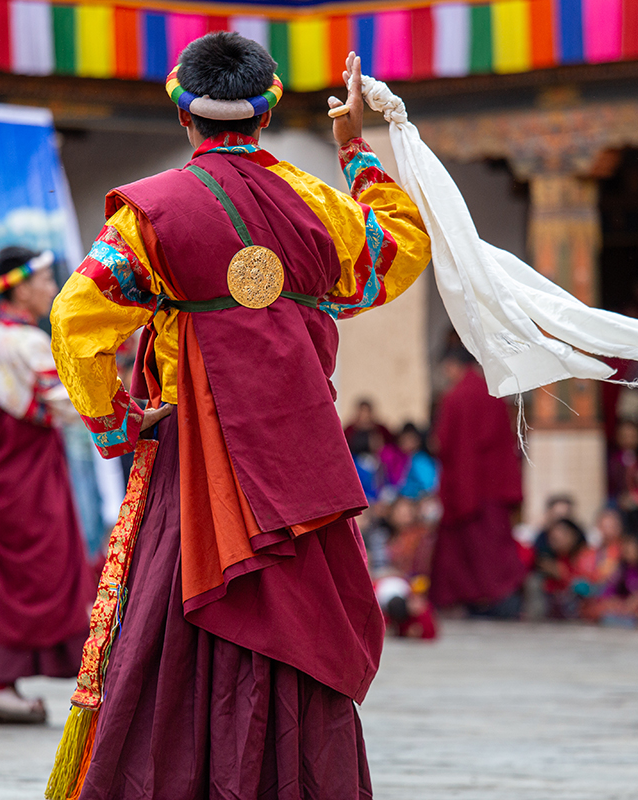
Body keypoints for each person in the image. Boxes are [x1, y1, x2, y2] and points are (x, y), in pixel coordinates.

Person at [48, 37, 429, 798]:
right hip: (302, 466)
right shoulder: (321, 207)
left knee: (171, 630)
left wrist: (117, 420)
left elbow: (74, 319)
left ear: (182, 112)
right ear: (268, 109)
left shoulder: (151, 216)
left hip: (193, 461)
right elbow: (398, 248)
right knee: (301, 626)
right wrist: (354, 149)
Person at [0, 246, 96, 725]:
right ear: (21, 287)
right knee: (38, 573)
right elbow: (69, 402)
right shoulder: (23, 342)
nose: (52, 288)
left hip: (14, 481)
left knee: (9, 576)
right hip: (24, 487)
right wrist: (129, 399)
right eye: (45, 280)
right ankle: (0, 681)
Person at [430, 348, 525, 616]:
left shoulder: (454, 398)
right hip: (494, 485)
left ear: (453, 365)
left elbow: (444, 444)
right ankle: (503, 599)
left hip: (466, 486)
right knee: (494, 546)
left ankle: (475, 601)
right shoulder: (493, 394)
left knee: (466, 550)